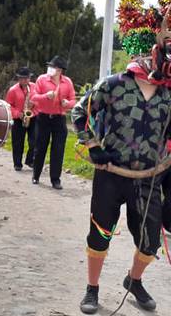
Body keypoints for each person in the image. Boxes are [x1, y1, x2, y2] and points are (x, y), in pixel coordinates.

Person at [71, 59, 171, 313]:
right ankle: (92, 288)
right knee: (100, 233)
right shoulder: (115, 84)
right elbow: (80, 112)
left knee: (150, 242)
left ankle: (134, 280)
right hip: (111, 174)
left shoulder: (168, 93)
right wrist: (93, 147)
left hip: (148, 179)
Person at [30, 56, 76, 189]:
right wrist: (45, 96)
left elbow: (73, 100)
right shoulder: (41, 79)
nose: (50, 68)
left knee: (58, 149)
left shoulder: (67, 82)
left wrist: (68, 103)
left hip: (59, 119)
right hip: (43, 117)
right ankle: (36, 175)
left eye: (53, 67)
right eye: (49, 66)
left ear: (60, 70)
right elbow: (33, 97)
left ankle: (55, 179)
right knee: (40, 147)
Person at [5, 67, 37, 171]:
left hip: (32, 117)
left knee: (35, 140)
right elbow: (8, 106)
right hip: (18, 118)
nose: (25, 80)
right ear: (19, 79)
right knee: (18, 142)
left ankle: (30, 160)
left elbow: (40, 101)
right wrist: (17, 114)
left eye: (27, 78)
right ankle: (17, 163)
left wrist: (34, 106)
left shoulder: (35, 87)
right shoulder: (12, 90)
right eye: (23, 78)